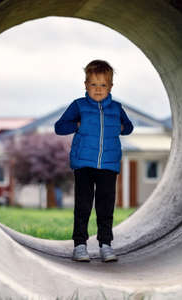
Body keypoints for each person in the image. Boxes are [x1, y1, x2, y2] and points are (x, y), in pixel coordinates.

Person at [54, 60, 133, 262]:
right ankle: (80, 245)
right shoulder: (78, 106)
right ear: (86, 85)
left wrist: (121, 128)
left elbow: (129, 127)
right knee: (83, 205)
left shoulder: (116, 108)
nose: (98, 90)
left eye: (103, 85)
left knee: (105, 207)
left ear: (111, 86)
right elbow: (59, 127)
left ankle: (105, 245)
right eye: (93, 85)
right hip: (84, 165)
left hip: (108, 164)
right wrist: (77, 123)